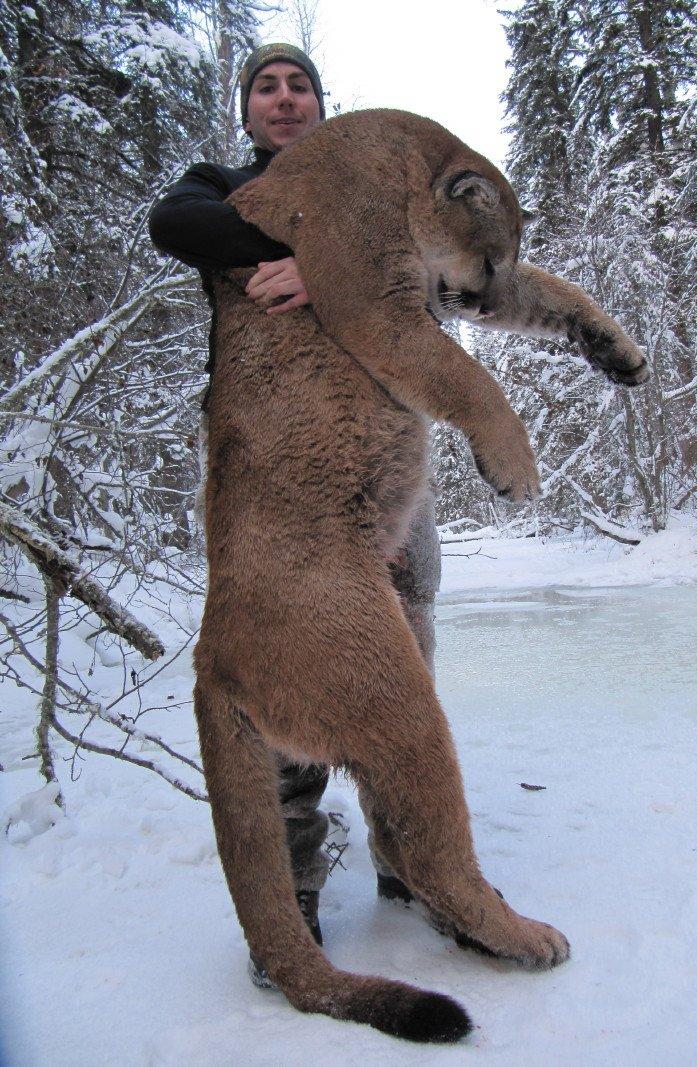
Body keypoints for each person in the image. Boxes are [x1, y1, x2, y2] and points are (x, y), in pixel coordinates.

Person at [148, 44, 441, 970]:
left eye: (299, 84)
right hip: (276, 483)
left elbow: (444, 275)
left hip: (386, 466)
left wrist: (335, 272)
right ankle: (296, 887)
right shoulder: (223, 189)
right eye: (266, 88)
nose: (284, 99)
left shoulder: (376, 199)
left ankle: (414, 860)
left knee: (405, 666)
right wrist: (317, 247)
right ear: (248, 113)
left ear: (323, 104)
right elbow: (177, 223)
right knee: (289, 667)